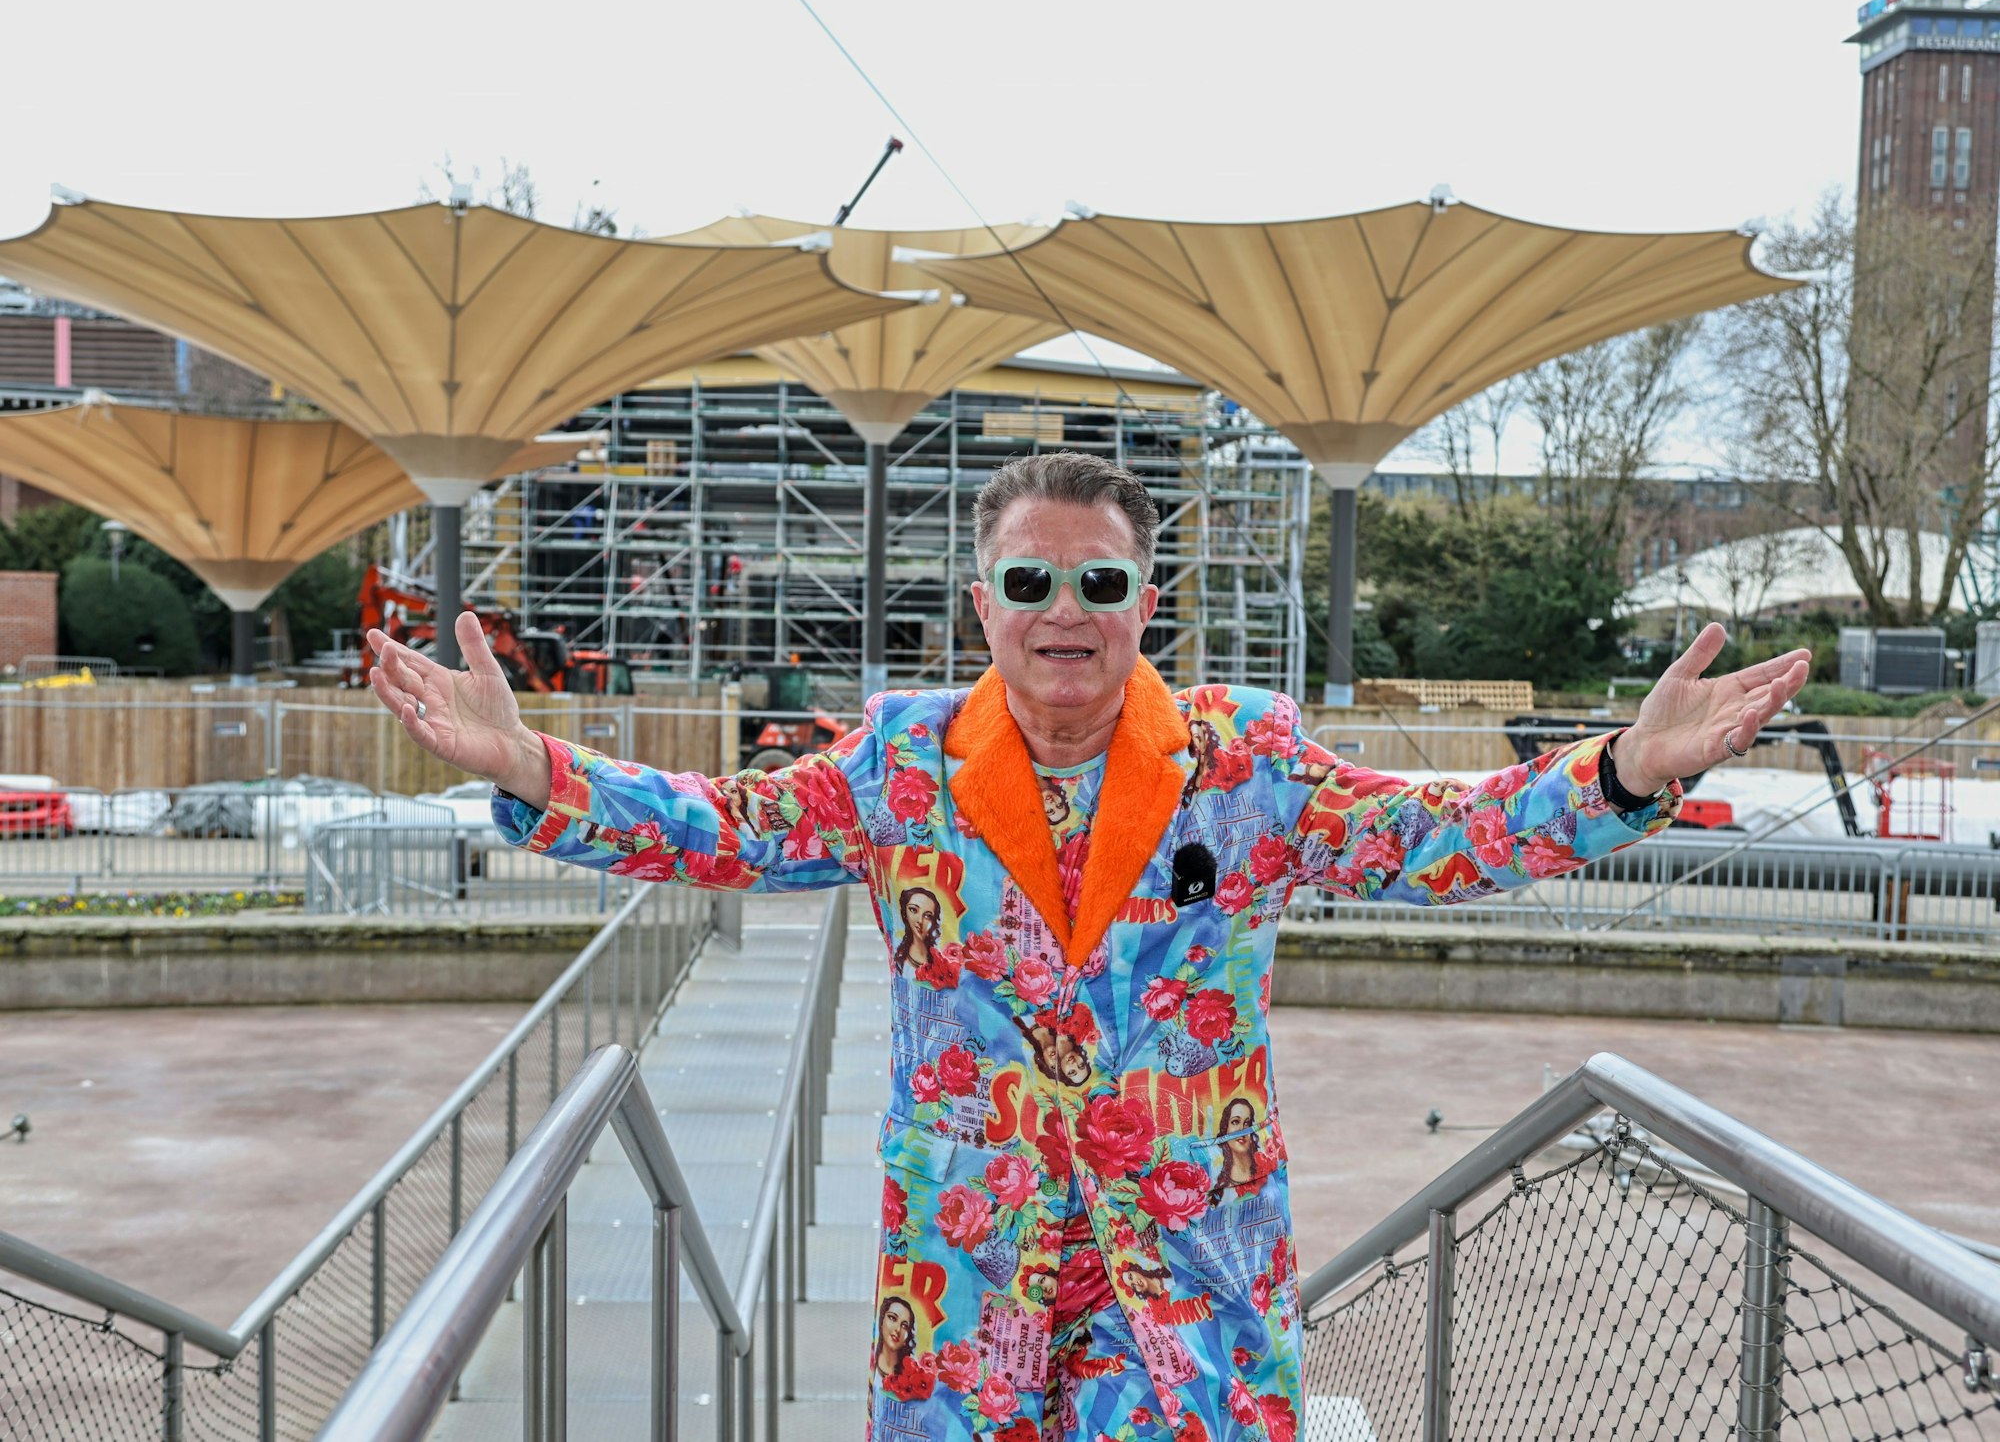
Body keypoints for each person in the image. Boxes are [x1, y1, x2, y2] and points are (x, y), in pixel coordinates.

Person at [368, 451, 1812, 1442]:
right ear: (981, 603)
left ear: (1148, 605)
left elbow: (1440, 835)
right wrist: (537, 769)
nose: (1068, 613)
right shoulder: (900, 767)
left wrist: (1624, 769)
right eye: (1032, 583)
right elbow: (715, 825)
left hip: (1186, 1280)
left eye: (1102, 586)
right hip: (968, 1278)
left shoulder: (1245, 762)